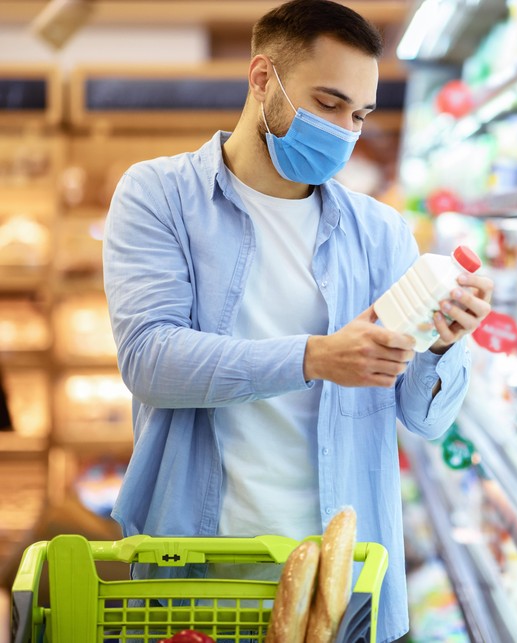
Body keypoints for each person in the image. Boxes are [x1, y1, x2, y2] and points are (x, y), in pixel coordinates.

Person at [102, 1, 493, 641]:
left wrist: (444, 346)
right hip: (204, 571)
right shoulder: (159, 196)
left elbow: (426, 418)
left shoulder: (380, 232)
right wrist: (315, 357)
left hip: (347, 581)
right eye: (329, 103)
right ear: (263, 79)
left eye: (359, 115)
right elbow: (150, 360)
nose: (344, 130)